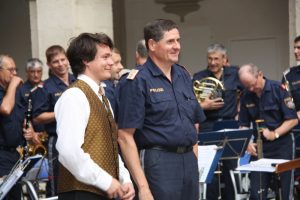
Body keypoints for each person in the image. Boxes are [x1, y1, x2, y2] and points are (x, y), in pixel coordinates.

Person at [117, 19, 206, 200]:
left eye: (178, 40)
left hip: (188, 160)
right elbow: (125, 136)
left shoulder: (183, 74)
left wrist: (193, 159)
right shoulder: (137, 80)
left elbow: (193, 121)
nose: (177, 46)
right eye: (170, 41)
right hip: (159, 162)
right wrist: (143, 188)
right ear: (152, 44)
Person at [54, 32, 134, 200]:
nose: (111, 62)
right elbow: (69, 152)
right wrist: (106, 181)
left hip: (101, 192)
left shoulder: (102, 96)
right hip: (81, 194)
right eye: (105, 57)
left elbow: (110, 147)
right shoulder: (74, 96)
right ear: (86, 61)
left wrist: (124, 178)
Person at [239, 63, 298, 200]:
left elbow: (293, 120)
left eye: (253, 84)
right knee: (256, 193)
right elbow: (243, 124)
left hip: (282, 144)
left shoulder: (278, 89)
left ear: (259, 74)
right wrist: (247, 143)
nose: (252, 89)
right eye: (248, 86)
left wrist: (274, 133)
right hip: (259, 147)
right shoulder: (246, 95)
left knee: (284, 192)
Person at [192, 43, 243, 200]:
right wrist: (204, 106)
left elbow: (248, 91)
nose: (212, 62)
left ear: (224, 59)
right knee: (210, 169)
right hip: (208, 125)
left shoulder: (235, 73)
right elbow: (191, 105)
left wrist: (240, 113)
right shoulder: (199, 77)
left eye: (216, 59)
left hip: (229, 124)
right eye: (209, 59)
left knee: (232, 168)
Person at [32, 45, 76, 197]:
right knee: (57, 183)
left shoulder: (77, 80)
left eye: (63, 59)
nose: (61, 64)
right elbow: (37, 117)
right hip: (57, 141)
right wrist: (61, 113)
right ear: (49, 65)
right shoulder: (45, 87)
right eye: (55, 61)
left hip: (79, 138)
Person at [0, 55, 23, 199]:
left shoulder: (11, 92)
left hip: (14, 154)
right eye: (10, 70)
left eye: (15, 69)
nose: (14, 73)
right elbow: (6, 109)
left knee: (16, 196)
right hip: (1, 156)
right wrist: (14, 85)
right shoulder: (10, 91)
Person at [19, 58, 44, 134]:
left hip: (47, 131)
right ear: (27, 72)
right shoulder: (20, 90)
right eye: (32, 72)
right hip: (28, 132)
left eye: (38, 71)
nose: (36, 75)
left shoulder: (47, 87)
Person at [282, 35, 300, 120]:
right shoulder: (288, 75)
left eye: (299, 48)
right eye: (295, 48)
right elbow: (286, 99)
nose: (295, 51)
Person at [103, 47, 124, 115]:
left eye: (120, 62)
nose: (121, 67)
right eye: (116, 63)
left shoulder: (113, 85)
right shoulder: (105, 90)